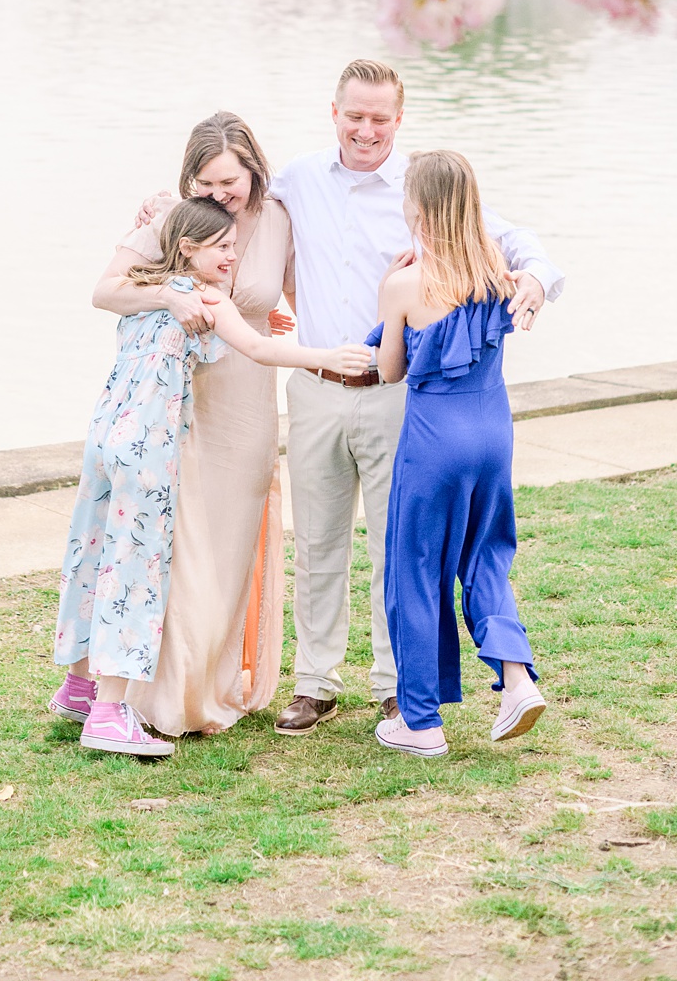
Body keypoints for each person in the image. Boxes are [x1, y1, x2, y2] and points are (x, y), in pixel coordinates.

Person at [269, 58, 566, 736]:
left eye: (380, 117)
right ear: (334, 110)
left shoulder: (425, 186)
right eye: (355, 114)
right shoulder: (299, 178)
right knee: (317, 544)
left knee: (399, 546)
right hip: (315, 389)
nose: (366, 129)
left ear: (399, 119)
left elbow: (518, 241)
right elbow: (231, 197)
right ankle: (315, 682)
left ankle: (396, 686)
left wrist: (538, 281)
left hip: (395, 396)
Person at [52, 196, 371, 758]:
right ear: (188, 248)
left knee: (96, 558)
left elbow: (223, 331)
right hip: (150, 448)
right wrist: (326, 358)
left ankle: (78, 688)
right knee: (137, 573)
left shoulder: (145, 288)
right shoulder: (201, 297)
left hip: (108, 434)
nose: (233, 256)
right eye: (222, 247)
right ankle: (107, 714)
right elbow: (256, 348)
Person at [91, 112, 294, 736]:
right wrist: (171, 297)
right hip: (183, 406)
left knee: (232, 545)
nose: (217, 196)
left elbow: (297, 292)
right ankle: (168, 696)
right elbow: (107, 291)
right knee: (181, 548)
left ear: (254, 172)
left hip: (249, 402)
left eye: (228, 183)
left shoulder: (283, 219)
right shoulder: (178, 219)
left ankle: (220, 680)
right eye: (204, 184)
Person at [366, 149, 548, 757]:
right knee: (487, 555)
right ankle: (516, 679)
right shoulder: (499, 274)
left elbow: (390, 370)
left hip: (435, 439)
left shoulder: (404, 283)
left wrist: (389, 301)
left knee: (414, 568)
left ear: (414, 206)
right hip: (493, 431)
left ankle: (420, 722)